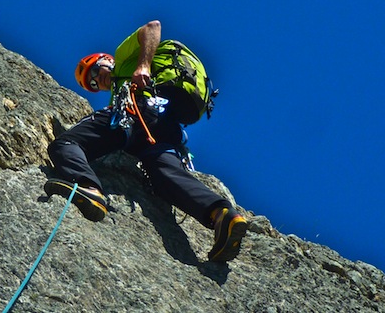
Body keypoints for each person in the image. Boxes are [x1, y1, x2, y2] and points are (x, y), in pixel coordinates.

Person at [45, 20, 247, 262]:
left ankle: (88, 189)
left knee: (65, 144)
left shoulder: (123, 57)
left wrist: (143, 66)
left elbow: (153, 27)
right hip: (164, 129)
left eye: (96, 71)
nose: (98, 80)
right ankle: (221, 214)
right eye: (92, 84)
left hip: (138, 112)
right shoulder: (118, 88)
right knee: (165, 178)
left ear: (107, 60)